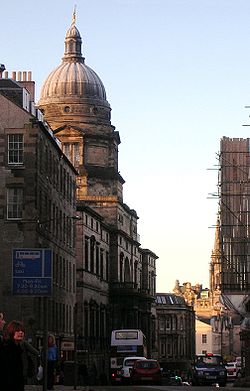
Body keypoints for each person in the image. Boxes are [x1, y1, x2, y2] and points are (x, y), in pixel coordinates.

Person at [0, 320, 26, 391]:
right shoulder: (7, 348)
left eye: (22, 331)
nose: (21, 332)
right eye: (17, 330)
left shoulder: (18, 348)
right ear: (12, 332)